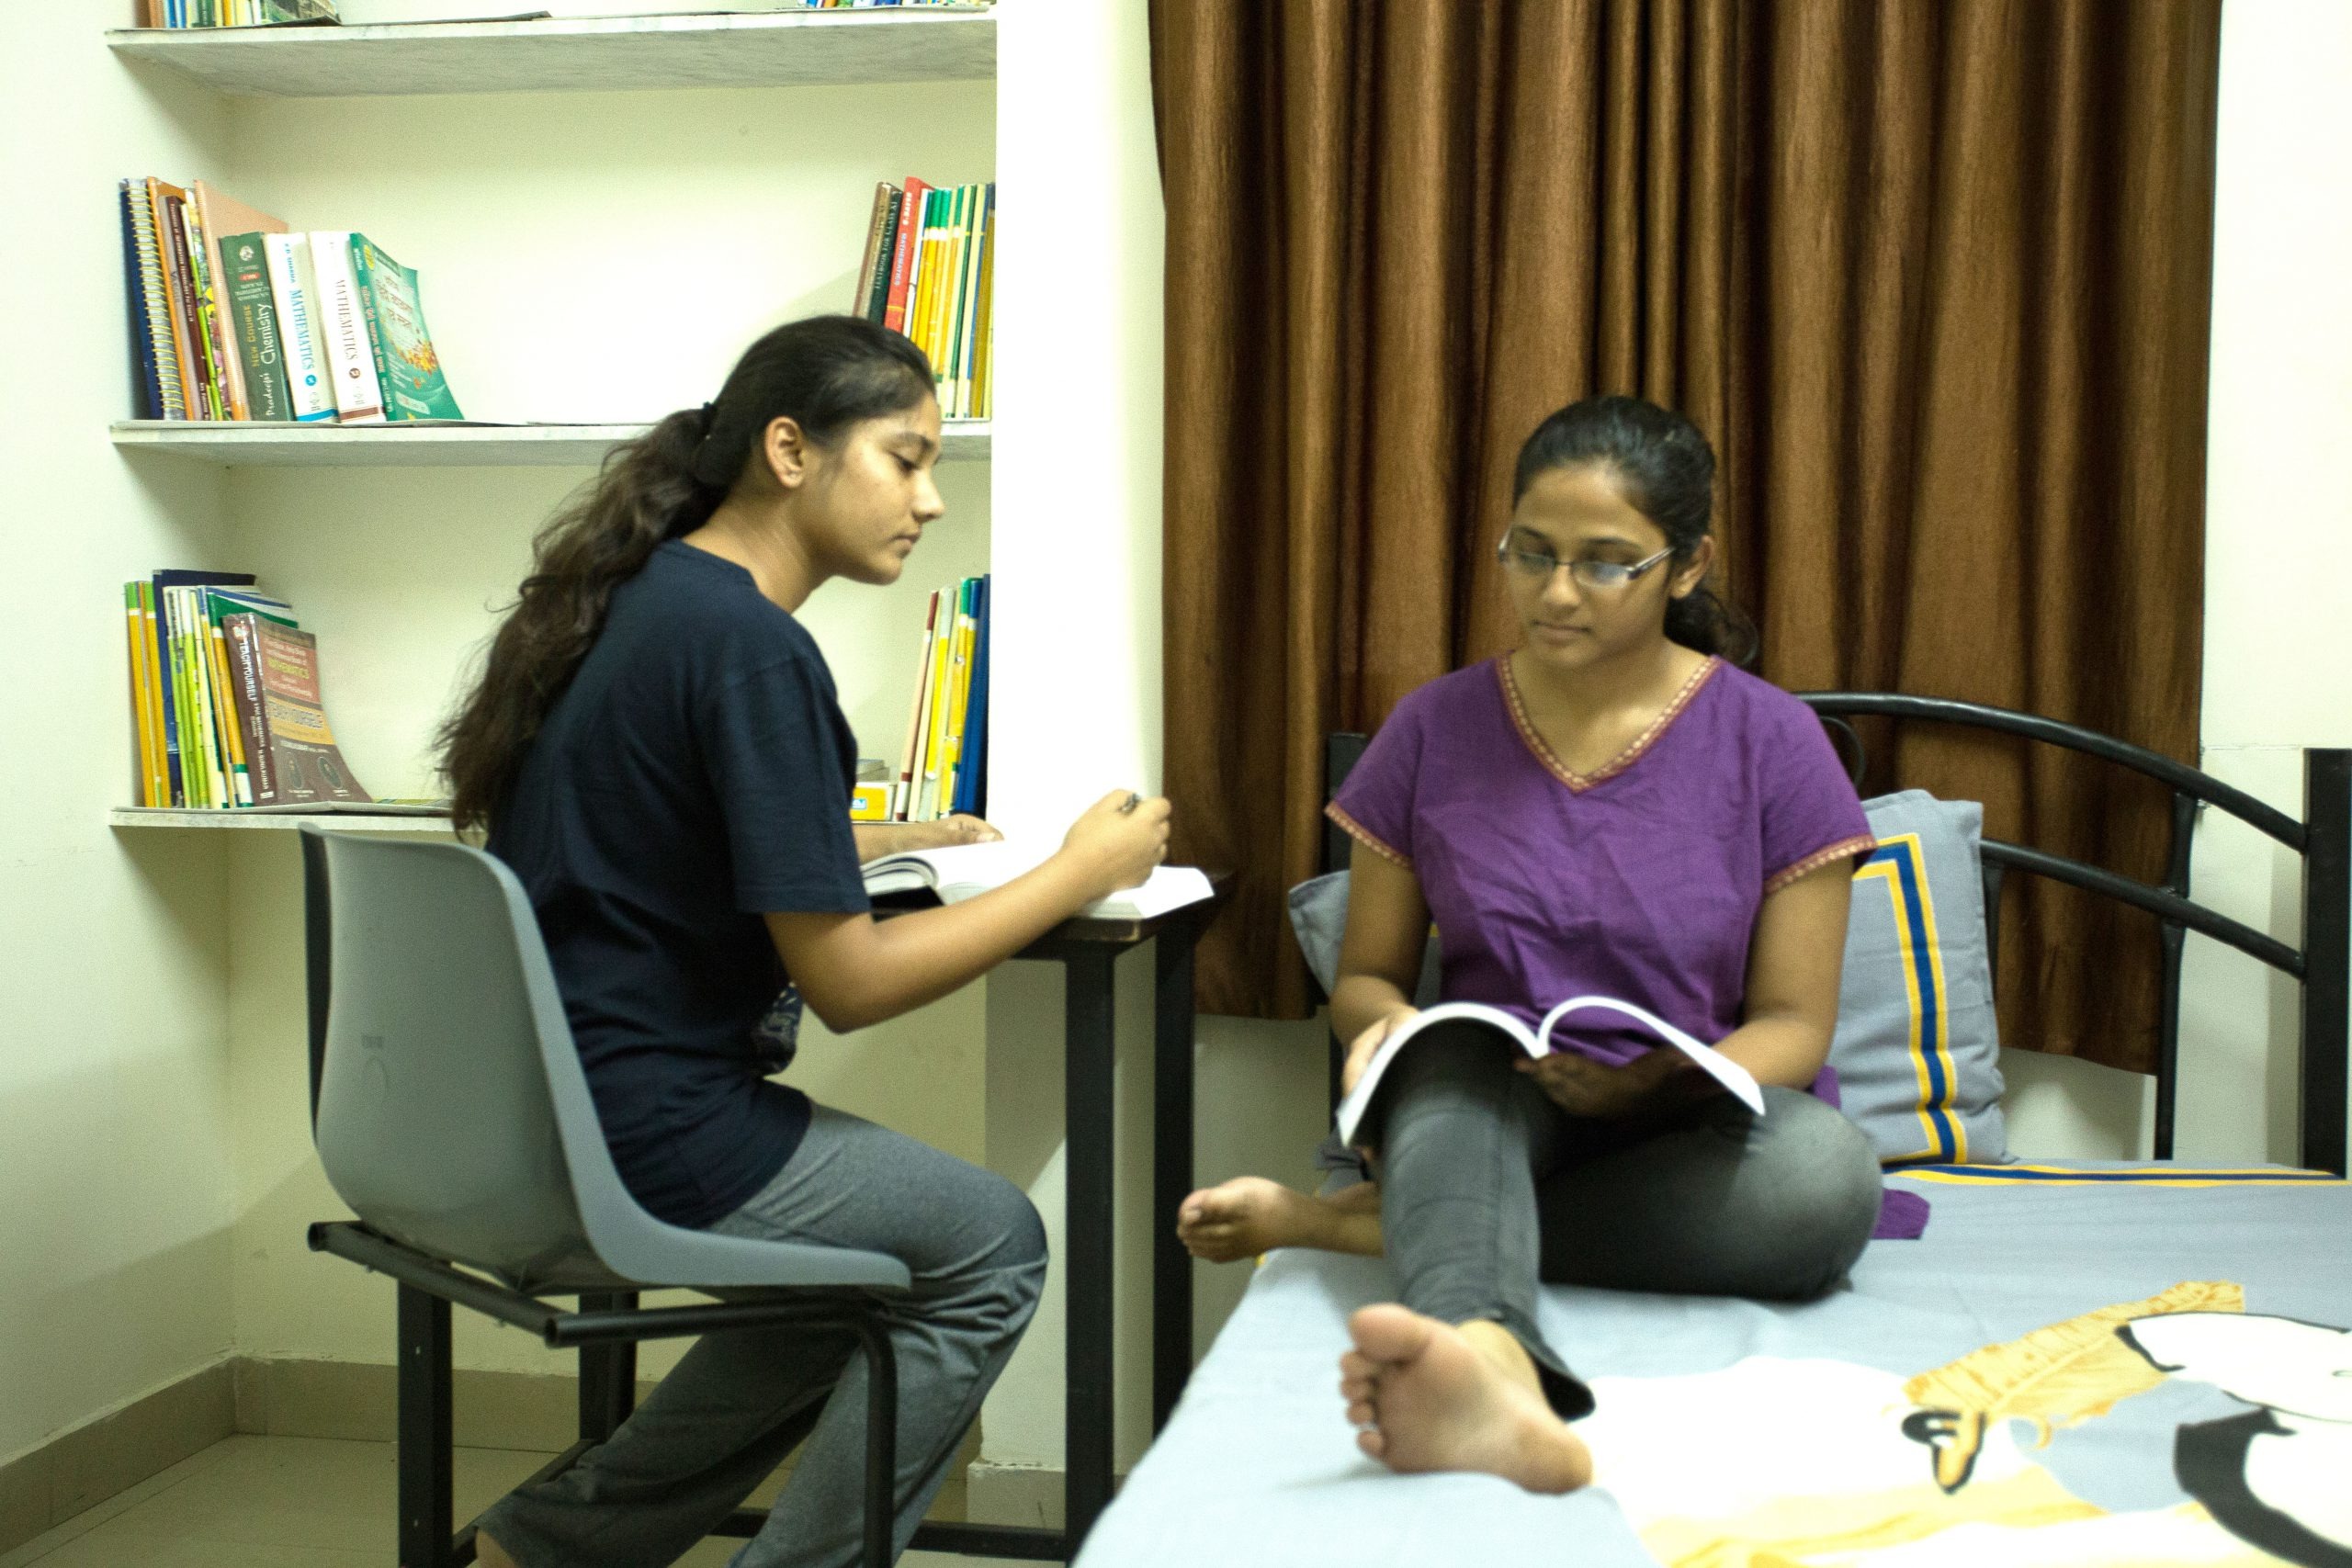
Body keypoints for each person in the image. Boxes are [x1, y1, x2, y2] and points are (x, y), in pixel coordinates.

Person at [435, 315, 1172, 1568]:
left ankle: (536, 1553)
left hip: (526, 1108)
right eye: (906, 458)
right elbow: (850, 981)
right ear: (790, 451)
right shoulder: (752, 648)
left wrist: (874, 836)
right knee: (992, 1245)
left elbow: (656, 832)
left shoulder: (638, 601)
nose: (931, 500)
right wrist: (1075, 873)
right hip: (646, 1123)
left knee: (858, 1276)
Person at [1176, 395, 1884, 1494]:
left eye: (1604, 563)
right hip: (1488, 1097)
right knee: (1447, 1067)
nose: (1555, 592)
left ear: (1686, 567)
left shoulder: (1774, 741)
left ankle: (1361, 1228)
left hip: (1681, 1127)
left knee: (1824, 1186)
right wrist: (1388, 1030)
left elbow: (1794, 1024)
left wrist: (1655, 1085)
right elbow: (1366, 976)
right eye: (1531, 552)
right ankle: (1488, 1366)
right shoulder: (1432, 727)